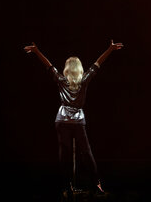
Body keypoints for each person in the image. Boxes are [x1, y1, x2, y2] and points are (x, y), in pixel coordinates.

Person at [24, 40, 123, 195]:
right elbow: (98, 63)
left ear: (67, 69)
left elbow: (49, 66)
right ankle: (94, 185)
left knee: (66, 155)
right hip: (76, 120)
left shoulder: (62, 80)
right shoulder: (83, 81)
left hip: (62, 120)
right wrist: (110, 49)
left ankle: (68, 187)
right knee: (86, 153)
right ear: (79, 68)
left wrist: (37, 52)